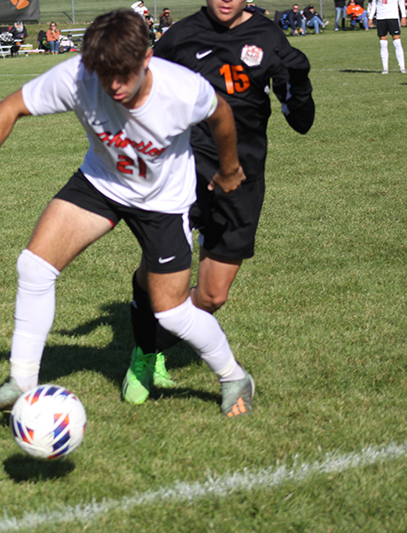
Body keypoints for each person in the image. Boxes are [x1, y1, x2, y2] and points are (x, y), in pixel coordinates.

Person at [0, 9, 254, 419]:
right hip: (101, 184)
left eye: (123, 75)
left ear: (146, 59)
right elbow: (10, 108)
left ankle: (234, 376)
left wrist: (230, 167)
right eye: (103, 74)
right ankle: (20, 383)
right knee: (34, 268)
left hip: (163, 202)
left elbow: (220, 115)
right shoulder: (78, 77)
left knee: (170, 311)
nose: (112, 86)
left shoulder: (182, 90)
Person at [125, 0, 314, 408]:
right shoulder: (181, 38)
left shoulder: (267, 37)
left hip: (241, 178)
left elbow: (301, 121)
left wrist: (299, 81)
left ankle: (155, 340)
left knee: (211, 297)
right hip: (182, 170)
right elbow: (141, 90)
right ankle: (144, 353)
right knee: (157, 273)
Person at [368, 0, 407, 73]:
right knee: (383, 44)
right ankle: (385, 68)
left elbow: (401, 2)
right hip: (380, 18)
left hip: (393, 17)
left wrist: (404, 16)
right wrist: (370, 17)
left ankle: (402, 67)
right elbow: (374, 4)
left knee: (397, 43)